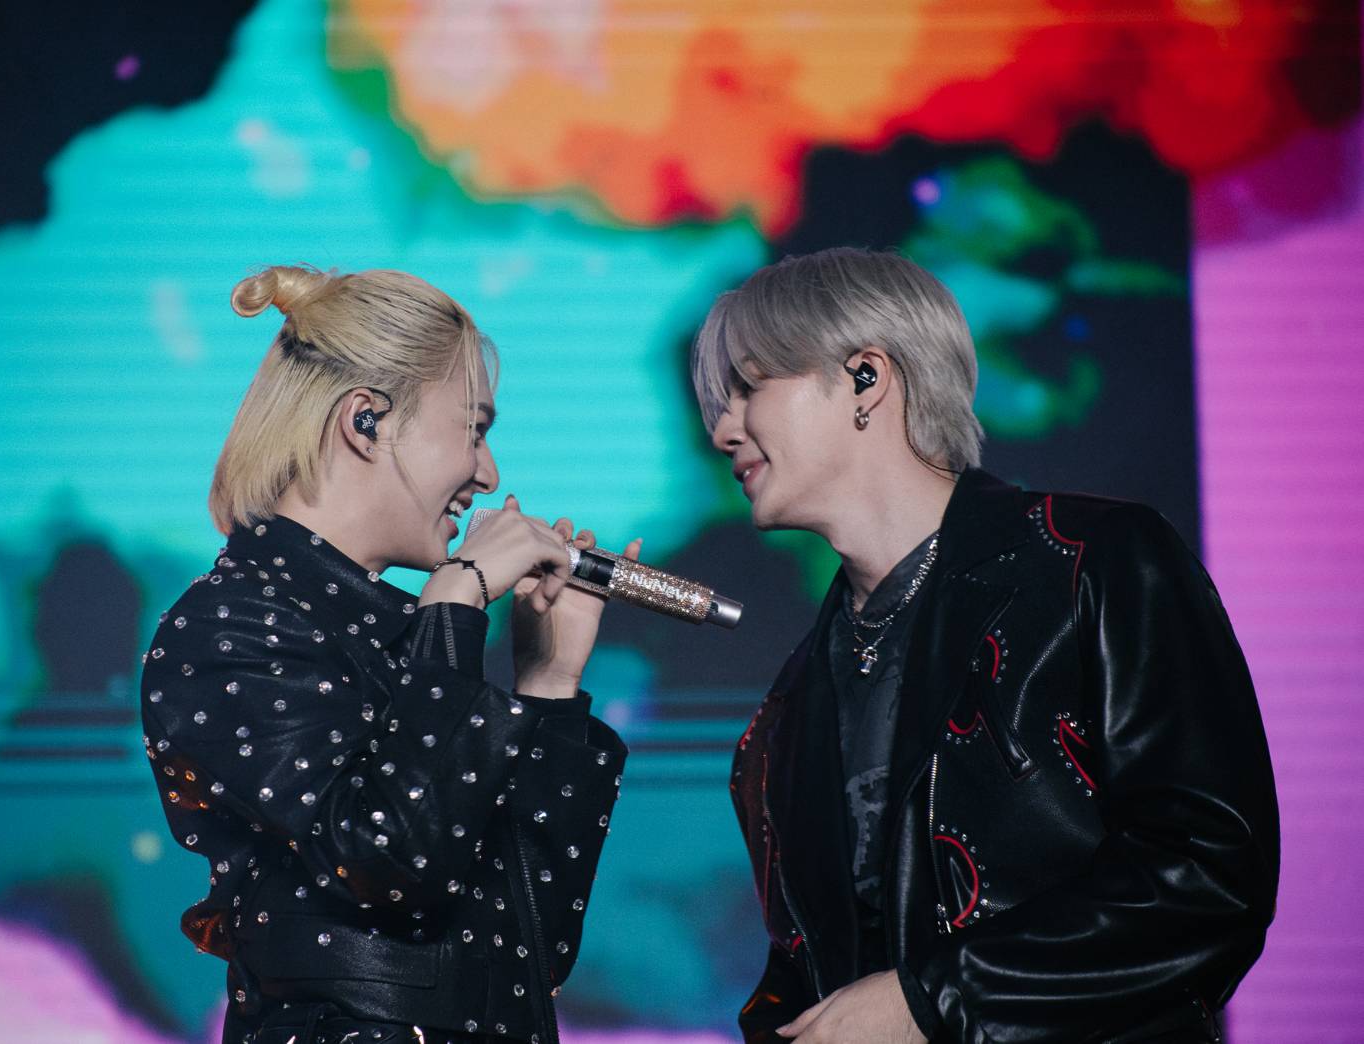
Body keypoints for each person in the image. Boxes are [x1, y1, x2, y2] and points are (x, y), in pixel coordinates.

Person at [693, 248, 1279, 1043]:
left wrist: (933, 1000)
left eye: (748, 387)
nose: (723, 429)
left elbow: (1210, 873)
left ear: (866, 378)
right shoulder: (786, 711)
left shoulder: (1094, 561)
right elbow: (807, 974)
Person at [140, 265, 633, 1044]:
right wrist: (457, 602)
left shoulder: (407, 643)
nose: (489, 475)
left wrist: (548, 683)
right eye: (474, 431)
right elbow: (389, 861)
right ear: (364, 420)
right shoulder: (225, 631)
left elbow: (530, 951)